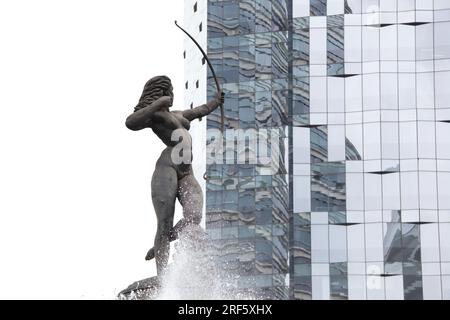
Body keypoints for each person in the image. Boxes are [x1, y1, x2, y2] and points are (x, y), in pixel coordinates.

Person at [125, 75, 224, 276]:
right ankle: (162, 276)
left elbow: (200, 110)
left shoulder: (178, 115)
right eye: (169, 89)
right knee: (165, 220)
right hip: (167, 167)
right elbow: (131, 122)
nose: (172, 93)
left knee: (193, 216)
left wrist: (216, 101)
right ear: (161, 92)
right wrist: (157, 104)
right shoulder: (154, 115)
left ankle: (162, 240)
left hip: (187, 172)